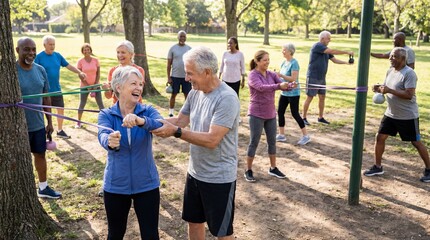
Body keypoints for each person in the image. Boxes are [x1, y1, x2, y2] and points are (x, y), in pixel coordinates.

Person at [152, 46, 240, 239]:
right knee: (194, 221)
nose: (186, 78)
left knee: (222, 232)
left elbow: (212, 140)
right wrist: (147, 120)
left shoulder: (227, 98)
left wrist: (175, 132)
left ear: (207, 72)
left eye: (190, 73)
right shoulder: (194, 92)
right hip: (195, 173)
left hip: (219, 178)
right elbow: (180, 121)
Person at [98, 66, 163, 239]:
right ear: (118, 87)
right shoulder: (107, 114)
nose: (139, 88)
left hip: (147, 184)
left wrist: (141, 121)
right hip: (116, 185)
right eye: (133, 83)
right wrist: (109, 141)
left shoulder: (147, 111)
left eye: (140, 84)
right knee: (115, 234)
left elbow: (162, 125)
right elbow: (102, 135)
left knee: (150, 235)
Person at [363, 47, 430, 183]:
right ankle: (378, 166)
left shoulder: (409, 73)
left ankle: (429, 169)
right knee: (380, 137)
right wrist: (379, 88)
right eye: (390, 56)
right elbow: (386, 86)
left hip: (407, 116)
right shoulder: (390, 70)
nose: (390, 59)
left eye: (394, 57)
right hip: (391, 114)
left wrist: (389, 90)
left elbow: (409, 94)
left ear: (403, 59)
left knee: (416, 142)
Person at [16, 37, 62, 199]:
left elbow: (46, 97)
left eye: (33, 49)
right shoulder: (11, 71)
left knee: (40, 155)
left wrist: (49, 121)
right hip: (16, 127)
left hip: (37, 124)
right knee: (19, 161)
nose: (31, 53)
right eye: (26, 49)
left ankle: (43, 187)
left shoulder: (40, 70)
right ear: (17, 51)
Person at [244, 50, 293, 182]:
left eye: (268, 59)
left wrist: (288, 86)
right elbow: (261, 87)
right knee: (254, 142)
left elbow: (281, 85)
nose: (267, 62)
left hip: (270, 113)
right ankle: (248, 170)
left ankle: (273, 168)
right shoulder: (253, 75)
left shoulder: (271, 74)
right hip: (256, 114)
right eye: (265, 60)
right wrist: (279, 86)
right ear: (257, 61)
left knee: (272, 142)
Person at [35, 35, 87, 139]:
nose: (52, 46)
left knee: (60, 109)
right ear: (44, 45)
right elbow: (33, 70)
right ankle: (45, 131)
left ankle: (60, 130)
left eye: (53, 44)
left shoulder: (57, 56)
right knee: (45, 112)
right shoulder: (39, 57)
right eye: (50, 44)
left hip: (57, 89)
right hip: (44, 91)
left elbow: (68, 66)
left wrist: (79, 72)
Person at [302, 30, 354, 126]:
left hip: (322, 77)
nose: (329, 40)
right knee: (310, 97)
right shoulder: (318, 46)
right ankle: (303, 118)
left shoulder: (325, 49)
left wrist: (346, 63)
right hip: (313, 76)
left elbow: (334, 60)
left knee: (322, 97)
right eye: (328, 38)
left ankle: (320, 117)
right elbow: (332, 51)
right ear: (322, 39)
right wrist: (347, 52)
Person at [275, 43, 310, 145]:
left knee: (295, 113)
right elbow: (282, 78)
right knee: (280, 112)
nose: (283, 51)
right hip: (284, 92)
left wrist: (281, 75)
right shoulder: (284, 62)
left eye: (284, 50)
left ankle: (306, 136)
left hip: (293, 93)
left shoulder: (294, 63)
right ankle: (281, 135)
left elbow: (293, 79)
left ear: (290, 51)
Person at [102, 40, 144, 105]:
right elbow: (108, 96)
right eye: (118, 52)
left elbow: (137, 93)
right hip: (117, 108)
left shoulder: (139, 70)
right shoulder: (112, 71)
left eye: (123, 52)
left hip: (135, 107)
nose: (120, 55)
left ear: (131, 54)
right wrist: (106, 89)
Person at [75, 43, 104, 128]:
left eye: (88, 49)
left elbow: (98, 73)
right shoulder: (80, 62)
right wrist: (88, 87)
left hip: (96, 86)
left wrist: (95, 85)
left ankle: (104, 122)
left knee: (101, 105)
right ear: (82, 51)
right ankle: (78, 122)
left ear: (91, 51)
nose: (86, 51)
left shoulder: (96, 60)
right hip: (84, 86)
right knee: (82, 104)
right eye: (85, 50)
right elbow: (80, 75)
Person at [166, 30, 192, 117]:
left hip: (186, 77)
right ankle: (171, 112)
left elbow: (192, 64)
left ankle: (187, 113)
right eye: (181, 36)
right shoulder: (173, 48)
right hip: (175, 76)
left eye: (184, 36)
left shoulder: (189, 49)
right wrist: (169, 77)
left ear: (186, 38)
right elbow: (169, 64)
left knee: (187, 95)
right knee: (173, 94)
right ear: (178, 37)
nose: (182, 38)